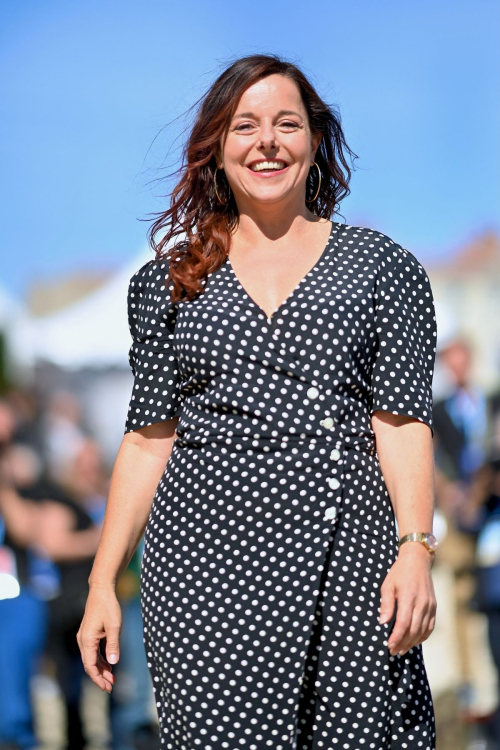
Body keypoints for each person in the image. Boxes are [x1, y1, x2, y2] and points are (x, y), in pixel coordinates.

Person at [78, 53, 439, 749]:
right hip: (204, 571)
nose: (267, 142)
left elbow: (400, 422)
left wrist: (416, 548)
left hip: (353, 561)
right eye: (245, 125)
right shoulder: (167, 282)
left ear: (314, 140)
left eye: (286, 124)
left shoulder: (382, 268)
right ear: (217, 146)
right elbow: (148, 439)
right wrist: (101, 583)